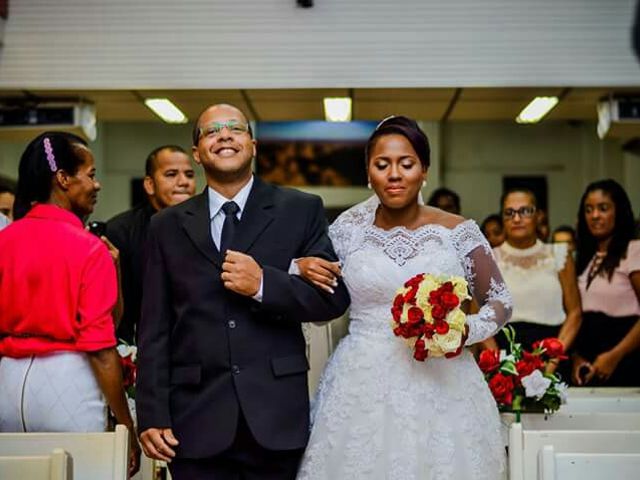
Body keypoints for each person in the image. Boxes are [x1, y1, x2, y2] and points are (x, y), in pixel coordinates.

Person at [136, 103, 350, 480]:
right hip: (194, 418)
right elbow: (154, 327)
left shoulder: (300, 209)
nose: (224, 135)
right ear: (197, 153)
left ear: (252, 144)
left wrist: (264, 284)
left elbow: (331, 297)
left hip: (275, 415)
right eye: (211, 131)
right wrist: (152, 414)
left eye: (234, 128)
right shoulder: (166, 226)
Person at [294, 116, 512, 479]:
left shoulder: (458, 230)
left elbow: (501, 302)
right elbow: (319, 288)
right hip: (361, 381)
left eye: (406, 163)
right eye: (382, 164)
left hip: (443, 379)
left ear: (424, 170)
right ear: (369, 172)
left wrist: (461, 331)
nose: (394, 174)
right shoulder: (346, 230)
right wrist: (299, 268)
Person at [0, 132, 139, 476]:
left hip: (7, 383)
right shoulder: (88, 248)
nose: (97, 184)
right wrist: (127, 428)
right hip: (67, 379)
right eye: (90, 174)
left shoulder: (5, 239)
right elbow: (102, 348)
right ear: (63, 178)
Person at [106, 145, 196, 343]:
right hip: (138, 348)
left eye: (189, 175)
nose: (183, 182)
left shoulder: (206, 226)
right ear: (149, 184)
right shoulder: (121, 231)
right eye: (171, 174)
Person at [491, 189, 581, 360]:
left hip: (553, 352)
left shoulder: (559, 255)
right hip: (504, 355)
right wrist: (499, 364)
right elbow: (478, 317)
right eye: (509, 213)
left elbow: (575, 313)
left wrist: (553, 361)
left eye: (525, 211)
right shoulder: (488, 258)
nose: (517, 219)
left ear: (539, 216)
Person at [572, 179, 640, 386]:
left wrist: (615, 355)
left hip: (626, 359)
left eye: (603, 208)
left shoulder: (634, 250)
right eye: (588, 209)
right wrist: (576, 358)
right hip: (589, 365)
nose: (594, 216)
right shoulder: (585, 257)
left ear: (618, 212)